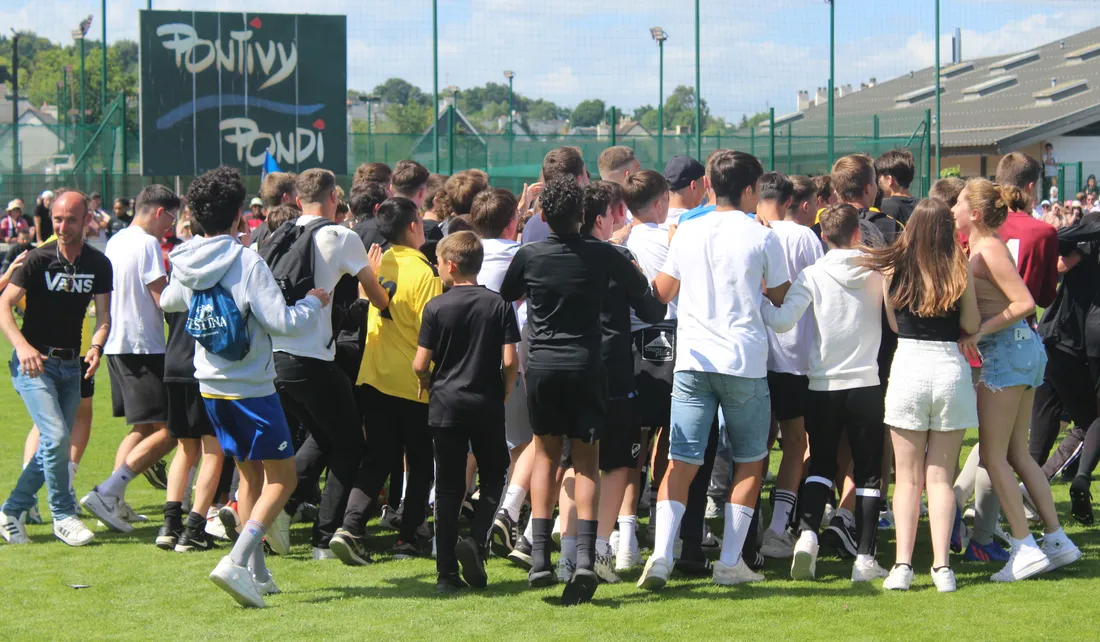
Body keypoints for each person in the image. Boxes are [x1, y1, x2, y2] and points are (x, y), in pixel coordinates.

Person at [160, 165, 329, 608]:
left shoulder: (187, 257)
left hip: (211, 386)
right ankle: (235, 561)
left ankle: (256, 568)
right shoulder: (247, 259)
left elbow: (169, 300)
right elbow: (281, 323)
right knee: (284, 478)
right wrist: (312, 303)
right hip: (252, 386)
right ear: (240, 215)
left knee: (252, 475)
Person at [639, 149, 791, 590]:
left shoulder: (686, 231)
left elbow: (663, 291)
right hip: (742, 362)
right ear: (748, 190)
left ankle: (662, 557)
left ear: (708, 185)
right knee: (750, 460)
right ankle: (729, 562)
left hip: (692, 360)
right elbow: (780, 295)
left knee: (680, 462)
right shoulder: (762, 236)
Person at [500, 176, 648, 605]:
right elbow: (641, 292)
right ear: (584, 216)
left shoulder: (530, 254)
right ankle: (584, 558)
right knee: (587, 461)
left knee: (546, 455)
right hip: (588, 366)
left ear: (543, 216)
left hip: (543, 366)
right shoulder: (603, 254)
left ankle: (542, 557)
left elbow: (507, 295)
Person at [955, 178, 1081, 581]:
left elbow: (1024, 302)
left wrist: (980, 331)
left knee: (993, 456)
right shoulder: (980, 246)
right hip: (1021, 352)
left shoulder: (987, 247)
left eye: (957, 203)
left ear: (974, 213)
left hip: (1008, 353)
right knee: (1016, 454)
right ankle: (1057, 539)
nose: (952, 209)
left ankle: (1025, 547)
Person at [265, 168, 390, 561]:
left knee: (322, 436)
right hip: (312, 357)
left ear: (296, 199)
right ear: (335, 197)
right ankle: (323, 537)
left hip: (273, 356)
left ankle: (278, 510)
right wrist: (380, 285)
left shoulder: (278, 235)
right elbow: (377, 298)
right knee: (351, 443)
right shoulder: (341, 236)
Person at [761, 203, 889, 582]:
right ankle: (865, 558)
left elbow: (783, 322)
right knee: (868, 474)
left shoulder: (813, 274)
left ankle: (806, 537)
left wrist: (759, 302)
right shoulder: (875, 272)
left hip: (822, 386)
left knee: (820, 465)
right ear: (857, 235)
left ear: (822, 237)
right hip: (866, 384)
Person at [857, 199, 979, 592]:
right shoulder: (960, 267)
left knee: (907, 480)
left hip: (908, 364)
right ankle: (943, 568)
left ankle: (902, 565)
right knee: (940, 478)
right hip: (949, 368)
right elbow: (972, 322)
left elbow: (893, 322)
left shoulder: (895, 267)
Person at [0, 190, 112, 547]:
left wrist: (96, 347)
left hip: (72, 365)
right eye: (57, 220)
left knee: (57, 445)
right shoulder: (36, 259)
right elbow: (4, 305)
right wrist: (22, 346)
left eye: (71, 220)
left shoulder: (98, 263)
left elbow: (105, 317)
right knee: (57, 437)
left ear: (87, 221)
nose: (62, 227)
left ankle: (10, 511)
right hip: (34, 364)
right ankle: (63, 516)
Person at [412, 230, 520, 593]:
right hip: (485, 401)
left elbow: (419, 363)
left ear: (451, 265)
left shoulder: (437, 306)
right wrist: (504, 390)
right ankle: (476, 539)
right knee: (495, 473)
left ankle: (446, 575)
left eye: (439, 263)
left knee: (447, 486)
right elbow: (509, 361)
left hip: (445, 403)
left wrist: (426, 382)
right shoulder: (498, 304)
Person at [342, 197, 442, 562]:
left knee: (378, 457)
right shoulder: (425, 273)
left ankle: (350, 526)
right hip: (411, 383)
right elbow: (429, 334)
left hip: (373, 376)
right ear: (415, 224)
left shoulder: (378, 262)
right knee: (419, 463)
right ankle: (406, 539)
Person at [81, 185, 181, 536]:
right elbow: (163, 298)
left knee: (141, 428)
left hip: (118, 344)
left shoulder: (118, 240)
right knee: (170, 430)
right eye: (171, 217)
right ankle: (108, 491)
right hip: (143, 347)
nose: (172, 226)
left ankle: (113, 497)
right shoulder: (147, 244)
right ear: (159, 212)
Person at [585, 177, 667, 584]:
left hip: (568, 367)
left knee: (574, 459)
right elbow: (652, 308)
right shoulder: (619, 255)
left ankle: (571, 551)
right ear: (608, 216)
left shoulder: (545, 253)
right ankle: (603, 546)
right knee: (622, 458)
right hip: (617, 366)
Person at [755, 172, 824, 559]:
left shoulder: (750, 231)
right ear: (788, 202)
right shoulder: (802, 237)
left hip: (755, 357)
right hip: (795, 356)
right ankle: (778, 526)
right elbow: (819, 289)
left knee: (757, 443)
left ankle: (752, 523)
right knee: (796, 440)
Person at [468, 189, 535, 561]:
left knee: (475, 449)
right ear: (513, 222)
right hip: (512, 361)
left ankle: (442, 518)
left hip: (465, 364)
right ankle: (509, 513)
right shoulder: (520, 256)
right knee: (527, 445)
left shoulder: (465, 253)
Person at [159, 214, 225, 553]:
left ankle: (170, 524)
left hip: (174, 360)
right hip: (202, 365)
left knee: (186, 448)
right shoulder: (221, 260)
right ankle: (195, 527)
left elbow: (167, 303)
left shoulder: (180, 260)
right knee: (213, 447)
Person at [520, 147, 590, 245]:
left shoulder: (530, 225)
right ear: (578, 180)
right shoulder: (586, 224)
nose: (588, 180)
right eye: (586, 173)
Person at [250, 172, 298, 248]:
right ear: (287, 198)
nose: (298, 200)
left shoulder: (252, 236)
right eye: (296, 195)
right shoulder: (293, 236)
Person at [663, 155, 707, 229]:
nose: (705, 190)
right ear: (693, 186)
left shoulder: (653, 222)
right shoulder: (702, 224)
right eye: (703, 184)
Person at [875, 149, 918, 225]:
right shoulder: (921, 206)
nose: (878, 183)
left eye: (879, 178)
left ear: (890, 180)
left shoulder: (885, 207)